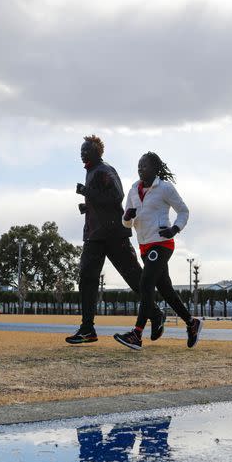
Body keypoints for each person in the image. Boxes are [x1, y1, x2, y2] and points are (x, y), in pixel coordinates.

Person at [65, 135, 163, 344]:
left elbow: (116, 197)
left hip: (113, 234)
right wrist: (88, 206)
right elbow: (103, 201)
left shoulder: (104, 170)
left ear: (97, 152)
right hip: (95, 235)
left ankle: (155, 314)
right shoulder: (92, 171)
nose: (82, 153)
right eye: (81, 150)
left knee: (134, 277)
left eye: (86, 150)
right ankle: (87, 328)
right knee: (86, 278)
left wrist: (86, 192)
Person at [113, 152, 203, 350]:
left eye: (144, 166)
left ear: (155, 168)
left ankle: (136, 334)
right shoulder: (133, 190)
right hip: (144, 245)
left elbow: (184, 211)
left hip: (162, 243)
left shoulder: (164, 188)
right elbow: (126, 223)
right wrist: (126, 217)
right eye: (138, 166)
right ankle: (191, 322)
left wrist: (175, 229)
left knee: (145, 284)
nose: (140, 169)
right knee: (166, 290)